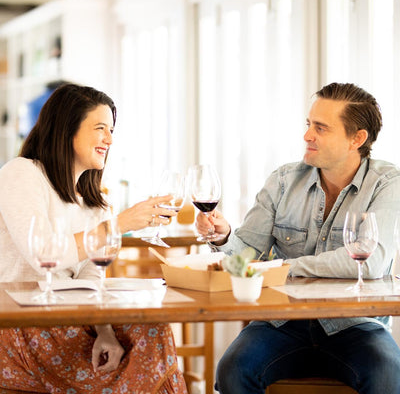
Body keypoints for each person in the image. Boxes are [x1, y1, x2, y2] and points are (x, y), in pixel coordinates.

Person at [196, 82, 400, 394]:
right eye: (309, 124)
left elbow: (370, 261)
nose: (307, 135)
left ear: (356, 139)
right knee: (232, 369)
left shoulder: (386, 183)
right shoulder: (283, 180)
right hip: (282, 322)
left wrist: (284, 267)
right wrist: (224, 238)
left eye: (321, 128)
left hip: (356, 325)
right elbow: (247, 256)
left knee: (389, 373)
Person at [0, 83, 187, 393]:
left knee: (153, 329)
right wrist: (119, 224)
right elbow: (43, 252)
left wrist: (105, 332)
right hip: (20, 324)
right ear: (66, 129)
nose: (109, 140)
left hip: (71, 319)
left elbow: (91, 280)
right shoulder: (22, 173)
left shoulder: (96, 203)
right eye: (100, 128)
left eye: (111, 130)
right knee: (145, 359)